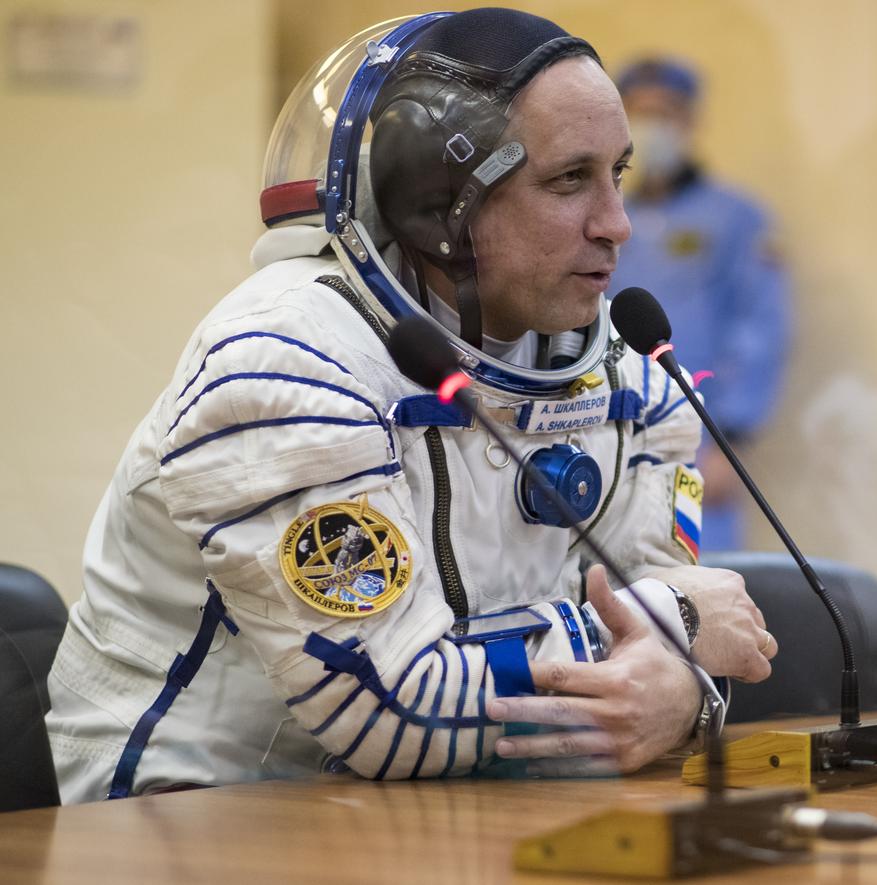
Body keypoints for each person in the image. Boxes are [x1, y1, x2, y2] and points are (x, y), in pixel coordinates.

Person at [45, 9, 777, 804]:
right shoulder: (284, 366)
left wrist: (682, 686)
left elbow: (681, 648)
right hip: (186, 809)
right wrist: (670, 622)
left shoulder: (632, 370)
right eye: (570, 179)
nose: (617, 224)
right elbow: (390, 709)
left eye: (618, 173)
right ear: (442, 204)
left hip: (445, 803)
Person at [607, 58, 791, 552]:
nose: (652, 126)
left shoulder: (736, 219)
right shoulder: (608, 215)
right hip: (612, 429)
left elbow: (759, 332)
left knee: (699, 576)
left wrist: (731, 441)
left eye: (665, 112)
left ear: (690, 119)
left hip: (702, 439)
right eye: (639, 113)